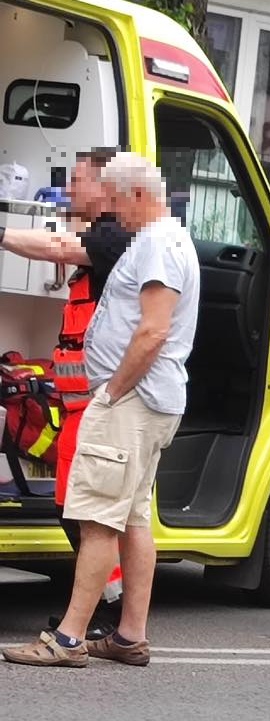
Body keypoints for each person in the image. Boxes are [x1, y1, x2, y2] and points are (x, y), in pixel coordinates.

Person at [3, 151, 200, 669]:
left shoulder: (156, 244)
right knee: (132, 518)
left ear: (137, 194)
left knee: (97, 520)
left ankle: (67, 639)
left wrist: (112, 391)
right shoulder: (170, 239)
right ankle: (129, 634)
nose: (114, 214)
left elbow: (153, 330)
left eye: (117, 201)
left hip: (131, 402)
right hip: (149, 402)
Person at [0, 148, 130, 638]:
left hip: (97, 405)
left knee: (88, 510)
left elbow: (57, 248)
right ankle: (100, 607)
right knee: (70, 506)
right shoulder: (99, 237)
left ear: (106, 186)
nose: (70, 186)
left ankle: (106, 611)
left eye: (77, 179)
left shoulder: (113, 237)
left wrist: (3, 235)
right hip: (76, 404)